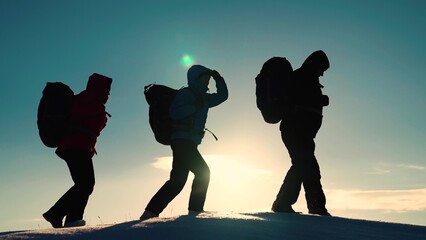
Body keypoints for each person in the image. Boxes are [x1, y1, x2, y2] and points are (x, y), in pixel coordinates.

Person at [140, 65, 228, 220]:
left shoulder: (205, 98)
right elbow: (175, 113)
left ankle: (150, 212)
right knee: (203, 172)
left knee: (177, 182)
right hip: (181, 141)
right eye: (204, 78)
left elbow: (222, 96)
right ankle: (195, 211)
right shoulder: (186, 93)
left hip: (189, 143)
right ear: (195, 79)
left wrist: (218, 79)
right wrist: (194, 107)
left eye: (208, 79)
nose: (207, 81)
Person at [43, 73, 112, 228]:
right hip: (76, 146)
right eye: (106, 91)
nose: (108, 94)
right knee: (86, 183)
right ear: (99, 89)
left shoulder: (87, 100)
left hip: (76, 147)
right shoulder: (88, 101)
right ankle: (62, 215)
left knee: (84, 183)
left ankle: (67, 217)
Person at [272, 50, 331, 216]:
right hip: (296, 131)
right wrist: (321, 99)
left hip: (302, 133)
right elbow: (301, 98)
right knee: (309, 168)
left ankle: (284, 203)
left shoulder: (307, 78)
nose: (323, 73)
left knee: (302, 166)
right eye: (322, 69)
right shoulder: (301, 77)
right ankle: (316, 208)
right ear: (315, 65)